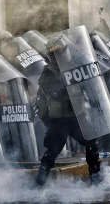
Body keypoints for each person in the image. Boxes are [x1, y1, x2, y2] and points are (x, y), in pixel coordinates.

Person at [34, 42, 101, 187]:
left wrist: (94, 94)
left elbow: (88, 86)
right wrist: (64, 83)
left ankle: (95, 176)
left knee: (91, 143)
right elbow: (53, 92)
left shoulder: (75, 68)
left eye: (59, 53)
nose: (57, 57)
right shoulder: (48, 73)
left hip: (78, 117)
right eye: (54, 55)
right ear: (50, 57)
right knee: (52, 151)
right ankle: (40, 182)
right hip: (60, 120)